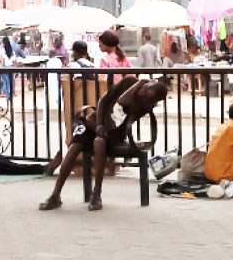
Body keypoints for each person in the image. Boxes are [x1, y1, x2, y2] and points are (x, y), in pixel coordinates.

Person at [40, 77, 168, 211]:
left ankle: (96, 194)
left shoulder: (145, 105)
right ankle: (56, 194)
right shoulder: (129, 82)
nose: (145, 92)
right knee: (75, 146)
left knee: (99, 142)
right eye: (146, 88)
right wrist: (100, 123)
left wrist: (140, 85)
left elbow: (122, 102)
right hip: (94, 122)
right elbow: (103, 101)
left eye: (149, 93)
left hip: (114, 133)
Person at [0, 37, 16, 101]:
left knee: (5, 82)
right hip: (11, 67)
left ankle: (7, 96)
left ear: (3, 43)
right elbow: (15, 60)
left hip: (4, 68)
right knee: (11, 82)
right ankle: (11, 94)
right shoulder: (12, 51)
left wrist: (0, 61)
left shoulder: (1, 51)